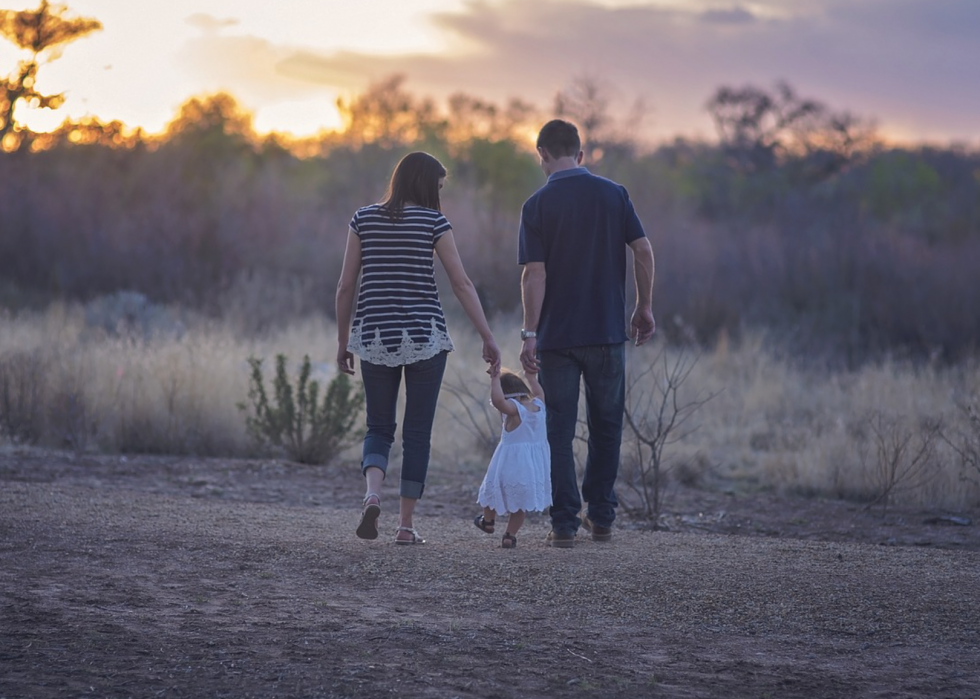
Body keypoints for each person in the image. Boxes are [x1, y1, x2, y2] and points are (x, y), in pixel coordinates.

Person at [336, 151, 501, 545]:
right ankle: (406, 526)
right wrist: (487, 336)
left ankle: (372, 493)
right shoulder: (434, 222)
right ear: (426, 184)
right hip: (426, 337)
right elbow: (461, 284)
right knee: (417, 434)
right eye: (439, 187)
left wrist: (344, 341)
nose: (439, 195)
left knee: (378, 426)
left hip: (374, 336)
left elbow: (345, 286)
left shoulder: (363, 219)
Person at [518, 119, 656, 549]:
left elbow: (533, 275)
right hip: (608, 333)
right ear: (581, 154)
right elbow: (644, 250)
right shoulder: (614, 194)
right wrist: (644, 306)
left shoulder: (536, 205)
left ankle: (563, 524)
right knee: (607, 426)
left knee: (559, 430)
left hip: (558, 339)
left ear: (541, 154)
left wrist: (529, 332)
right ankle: (602, 518)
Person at [474, 368, 552, 549]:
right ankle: (509, 536)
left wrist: (494, 380)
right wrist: (531, 377)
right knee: (520, 505)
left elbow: (498, 401)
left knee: (491, 492)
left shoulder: (514, 410)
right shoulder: (539, 406)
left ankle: (488, 521)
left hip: (509, 464)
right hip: (532, 467)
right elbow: (539, 392)